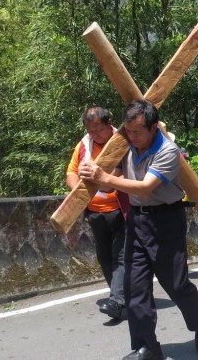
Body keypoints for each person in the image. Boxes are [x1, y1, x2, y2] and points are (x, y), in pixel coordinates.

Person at [78, 100, 198, 360]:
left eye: (138, 132)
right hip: (137, 220)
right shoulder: (126, 145)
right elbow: (109, 185)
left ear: (153, 128)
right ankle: (147, 347)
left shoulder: (168, 151)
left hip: (166, 220)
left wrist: (104, 178)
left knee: (175, 283)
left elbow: (144, 187)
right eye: (128, 131)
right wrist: (92, 174)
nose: (132, 137)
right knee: (135, 286)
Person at [64, 106, 126, 322]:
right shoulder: (83, 145)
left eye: (98, 129)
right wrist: (78, 193)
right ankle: (118, 299)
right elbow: (71, 172)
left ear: (110, 124)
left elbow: (115, 180)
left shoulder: (123, 142)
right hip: (95, 212)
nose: (94, 135)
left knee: (121, 256)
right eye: (90, 130)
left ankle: (117, 300)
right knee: (104, 256)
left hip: (121, 210)